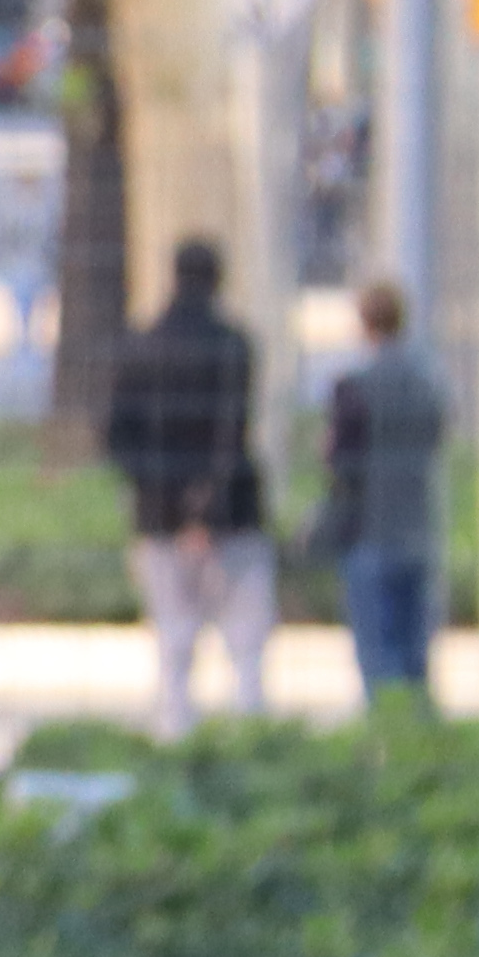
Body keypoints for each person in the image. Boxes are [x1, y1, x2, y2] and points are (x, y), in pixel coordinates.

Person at [105, 238, 271, 736]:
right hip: (231, 514)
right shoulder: (233, 344)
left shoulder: (141, 345)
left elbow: (119, 435)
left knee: (174, 645)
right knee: (246, 642)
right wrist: (207, 505)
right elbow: (231, 429)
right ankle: (253, 741)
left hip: (159, 514)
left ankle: (176, 739)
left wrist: (170, 499)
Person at [322, 279, 449, 710]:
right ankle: (418, 746)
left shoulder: (355, 386)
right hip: (417, 526)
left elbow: (340, 463)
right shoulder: (427, 383)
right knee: (416, 656)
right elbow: (437, 440)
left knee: (379, 658)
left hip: (369, 529)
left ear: (364, 323)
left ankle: (388, 746)